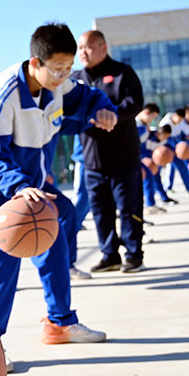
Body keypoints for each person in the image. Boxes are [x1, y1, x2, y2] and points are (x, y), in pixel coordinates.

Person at [0, 22, 118, 372]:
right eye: (58, 69)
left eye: (68, 68)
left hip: (32, 186)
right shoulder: (0, 96)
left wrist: (103, 108)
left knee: (56, 235)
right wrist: (18, 185)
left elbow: (90, 96)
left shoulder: (59, 86)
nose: (65, 75)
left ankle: (60, 322)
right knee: (4, 251)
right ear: (36, 63)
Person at [72, 30, 147, 273]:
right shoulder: (74, 79)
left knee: (128, 208)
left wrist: (113, 114)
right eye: (80, 47)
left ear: (103, 48)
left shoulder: (122, 73)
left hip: (124, 156)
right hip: (92, 159)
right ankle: (110, 255)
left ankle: (134, 254)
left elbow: (135, 102)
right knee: (100, 211)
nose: (83, 52)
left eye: (89, 47)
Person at [160, 108, 189, 197]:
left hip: (175, 149)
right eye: (179, 119)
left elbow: (180, 135)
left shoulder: (179, 123)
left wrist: (184, 144)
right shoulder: (165, 123)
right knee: (156, 172)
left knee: (179, 167)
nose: (179, 121)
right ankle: (165, 191)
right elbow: (165, 138)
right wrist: (176, 148)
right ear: (175, 116)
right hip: (166, 150)